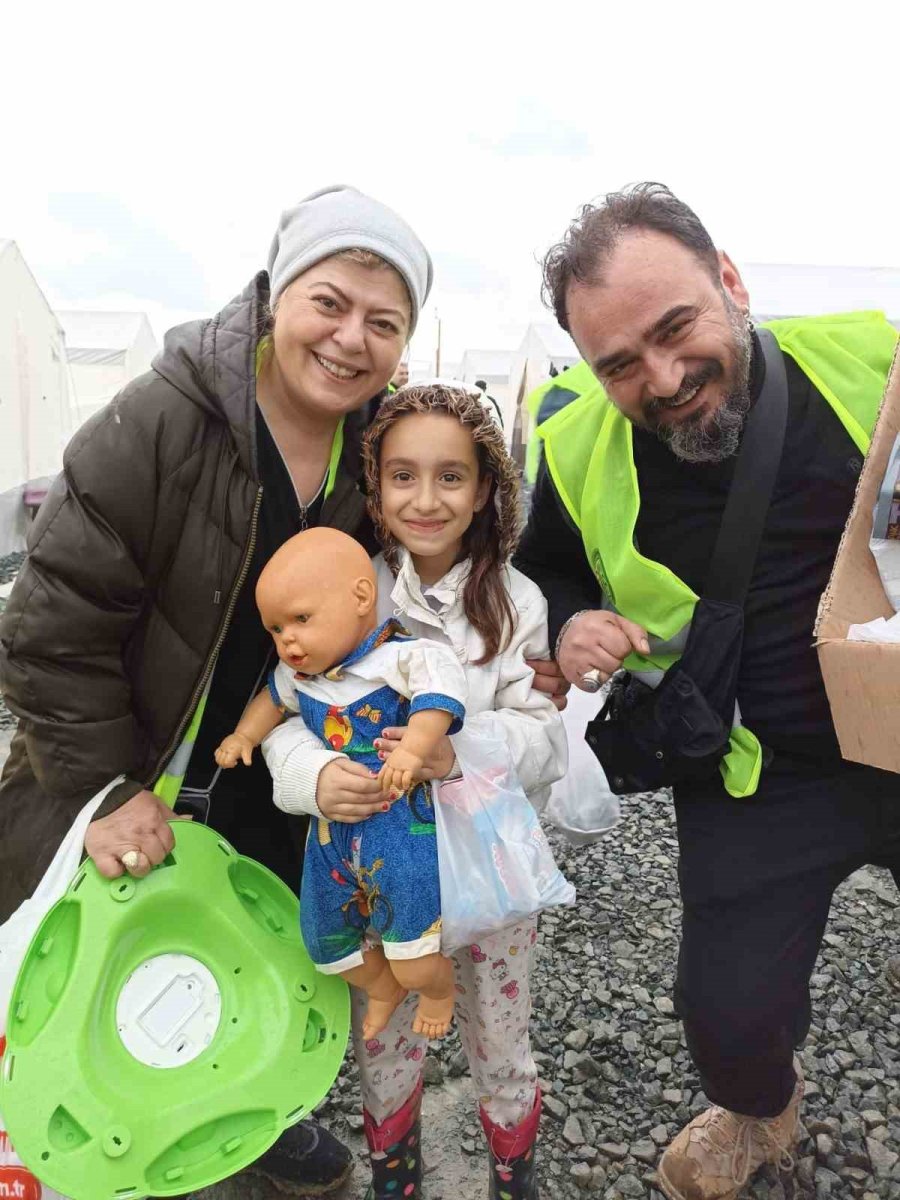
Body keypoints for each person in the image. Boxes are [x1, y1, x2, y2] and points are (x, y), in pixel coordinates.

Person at [0, 183, 434, 1198]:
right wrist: (104, 793)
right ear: (277, 294)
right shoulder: (162, 419)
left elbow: (443, 582)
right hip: (137, 762)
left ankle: (252, 1112)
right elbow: (50, 626)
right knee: (104, 970)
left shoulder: (384, 452)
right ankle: (91, 1137)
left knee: (263, 952)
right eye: (330, 302)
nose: (349, 338)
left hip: (282, 774)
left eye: (384, 321)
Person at [516, 182, 900, 1200]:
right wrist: (564, 621)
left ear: (729, 281)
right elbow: (543, 565)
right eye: (620, 365)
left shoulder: (872, 361)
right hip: (754, 769)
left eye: (677, 328)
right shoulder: (571, 444)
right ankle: (762, 1108)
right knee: (725, 1018)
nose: (666, 376)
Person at [262, 383, 568, 1200]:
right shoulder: (345, 584)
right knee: (387, 1037)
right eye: (402, 476)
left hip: (490, 880)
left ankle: (514, 1174)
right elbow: (287, 706)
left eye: (451, 477)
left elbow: (545, 736)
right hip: (373, 877)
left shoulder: (517, 603)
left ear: (486, 490)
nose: (425, 500)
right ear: (376, 484)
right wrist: (311, 776)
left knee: (500, 1037)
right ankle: (396, 1176)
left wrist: (457, 750)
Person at [214, 526, 467, 1040]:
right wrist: (244, 734)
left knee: (415, 952)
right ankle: (380, 986)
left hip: (400, 831)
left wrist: (416, 746)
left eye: (300, 620)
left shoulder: (400, 657)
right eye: (276, 630)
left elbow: (438, 692)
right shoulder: (299, 677)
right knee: (323, 941)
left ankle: (437, 989)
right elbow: (272, 701)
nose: (287, 641)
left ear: (360, 597)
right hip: (329, 838)